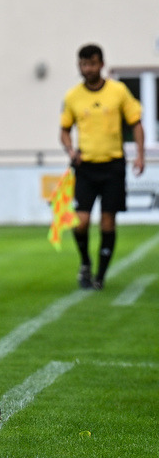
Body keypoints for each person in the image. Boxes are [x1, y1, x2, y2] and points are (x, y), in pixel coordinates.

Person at [60, 44, 145, 290]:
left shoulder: (118, 91)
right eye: (84, 64)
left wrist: (139, 155)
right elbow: (64, 131)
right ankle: (85, 263)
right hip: (85, 167)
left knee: (108, 222)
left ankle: (100, 276)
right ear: (79, 66)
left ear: (101, 64)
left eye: (92, 64)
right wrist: (71, 150)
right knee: (81, 222)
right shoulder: (73, 96)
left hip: (113, 167)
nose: (88, 69)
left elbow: (136, 124)